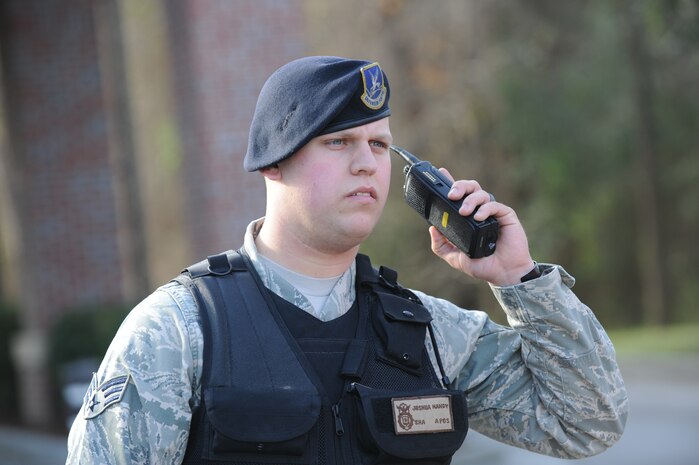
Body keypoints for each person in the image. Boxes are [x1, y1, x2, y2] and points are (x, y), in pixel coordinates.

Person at [66, 56, 628, 464]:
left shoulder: (431, 334)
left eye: (379, 145)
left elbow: (584, 424)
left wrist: (520, 281)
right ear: (273, 162)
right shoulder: (179, 332)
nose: (367, 165)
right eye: (338, 142)